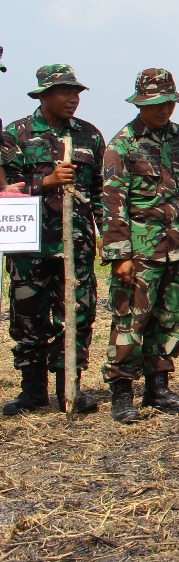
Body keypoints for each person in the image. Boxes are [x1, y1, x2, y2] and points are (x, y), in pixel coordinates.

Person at [100, 70, 179, 423]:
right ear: (140, 103)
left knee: (171, 318)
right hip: (140, 252)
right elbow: (112, 201)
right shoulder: (123, 144)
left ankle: (158, 388)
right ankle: (121, 394)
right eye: (154, 104)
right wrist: (120, 255)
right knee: (131, 321)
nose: (163, 110)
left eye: (167, 103)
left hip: (177, 246)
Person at [1, 64, 104, 416]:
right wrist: (44, 183)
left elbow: (101, 192)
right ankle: (32, 391)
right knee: (28, 316)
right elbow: (5, 192)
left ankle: (68, 390)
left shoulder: (89, 136)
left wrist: (108, 235)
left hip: (76, 244)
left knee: (76, 312)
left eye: (76, 92)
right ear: (43, 95)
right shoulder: (15, 134)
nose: (72, 99)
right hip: (29, 244)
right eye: (64, 92)